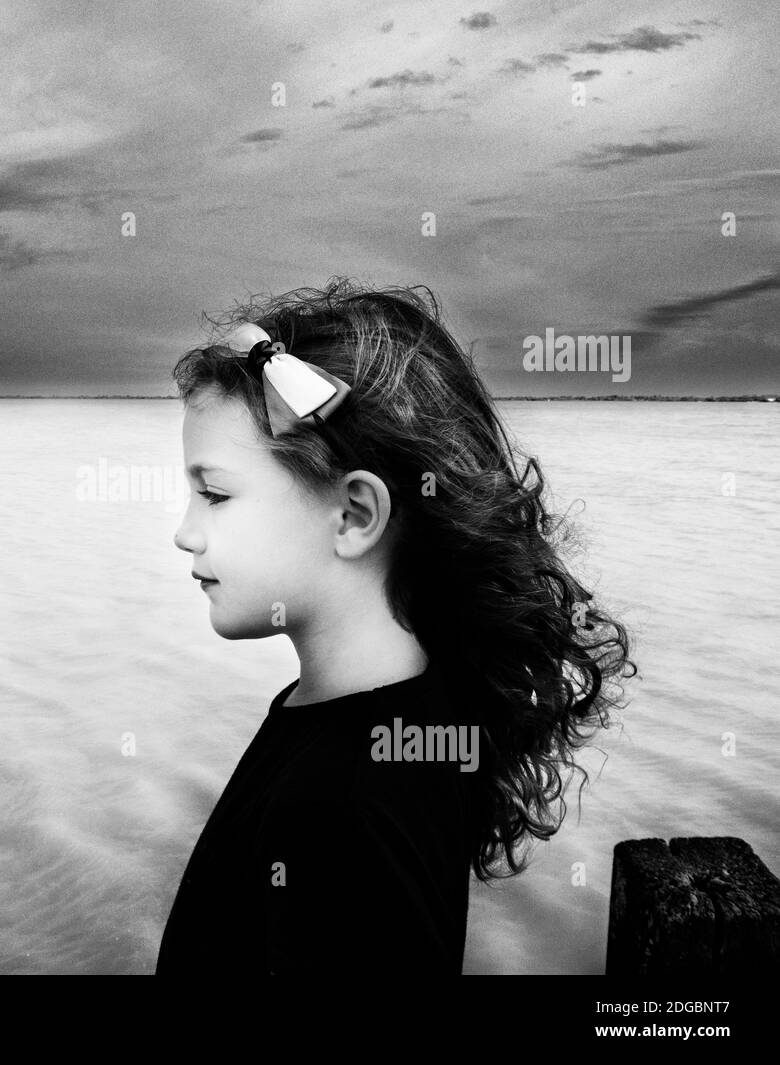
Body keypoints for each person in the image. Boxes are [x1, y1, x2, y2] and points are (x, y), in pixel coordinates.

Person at [156, 277, 636, 975]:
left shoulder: (335, 810)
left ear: (354, 515)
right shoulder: (413, 717)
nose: (184, 533)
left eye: (215, 494)